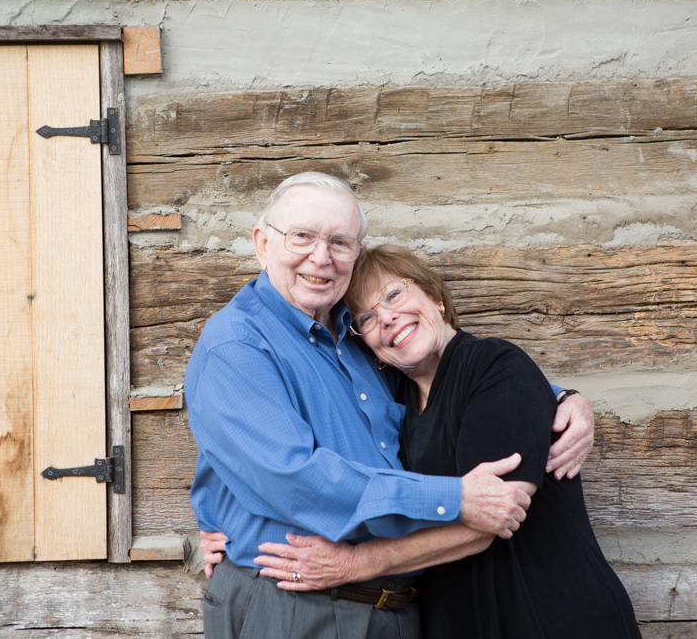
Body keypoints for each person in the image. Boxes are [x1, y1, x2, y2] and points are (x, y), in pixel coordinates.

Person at [188, 172, 595, 638]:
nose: (321, 257)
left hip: (397, 610)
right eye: (302, 236)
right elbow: (295, 478)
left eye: (339, 243)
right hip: (298, 601)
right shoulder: (237, 344)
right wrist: (456, 498)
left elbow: (460, 383)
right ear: (263, 243)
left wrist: (559, 398)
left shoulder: (356, 342)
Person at [253, 245, 640, 638]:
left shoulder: (495, 365)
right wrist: (221, 521)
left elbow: (493, 516)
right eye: (366, 318)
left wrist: (353, 564)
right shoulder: (395, 403)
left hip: (552, 617)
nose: (386, 317)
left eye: (394, 294)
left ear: (435, 297)